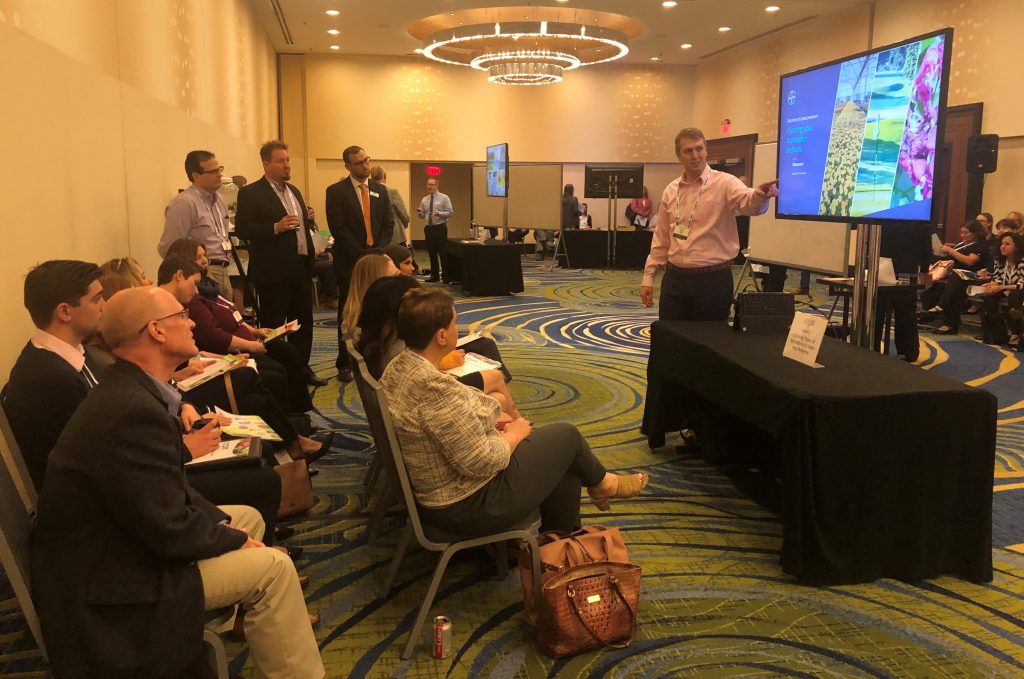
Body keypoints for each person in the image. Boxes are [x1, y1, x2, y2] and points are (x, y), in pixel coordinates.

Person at [30, 286, 324, 679]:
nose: (190, 322)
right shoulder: (130, 410)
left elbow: (165, 495)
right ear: (156, 330)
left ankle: (232, 624)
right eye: (181, 316)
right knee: (273, 567)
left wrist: (228, 531)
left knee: (248, 518)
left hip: (122, 545)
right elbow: (167, 527)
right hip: (112, 583)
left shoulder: (132, 388)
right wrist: (234, 541)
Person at [380, 287, 647, 535]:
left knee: (564, 467)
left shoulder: (401, 365)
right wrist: (515, 434)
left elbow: (457, 409)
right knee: (568, 437)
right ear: (441, 336)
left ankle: (562, 543)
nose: (457, 329)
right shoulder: (432, 388)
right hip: (464, 504)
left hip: (444, 490)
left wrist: (493, 418)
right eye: (453, 323)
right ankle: (602, 486)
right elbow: (482, 462)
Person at [641, 128, 778, 320]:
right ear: (678, 156)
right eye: (688, 151)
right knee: (671, 342)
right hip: (674, 280)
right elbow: (661, 238)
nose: (695, 155)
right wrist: (649, 277)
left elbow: (749, 204)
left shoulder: (726, 183)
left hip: (712, 281)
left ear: (706, 151)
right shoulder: (670, 191)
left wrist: (760, 195)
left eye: (699, 149)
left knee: (709, 342)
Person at [160, 249, 315, 414]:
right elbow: (205, 342)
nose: (206, 260)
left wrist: (252, 333)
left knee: (280, 360)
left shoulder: (205, 291)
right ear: (180, 274)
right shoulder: (184, 305)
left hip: (211, 360)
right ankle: (293, 431)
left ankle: (296, 424)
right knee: (267, 380)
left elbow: (229, 316)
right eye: (199, 257)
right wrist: (229, 358)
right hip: (200, 370)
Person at [3, 260, 104, 488]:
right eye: (97, 299)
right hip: (81, 503)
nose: (104, 306)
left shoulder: (75, 352)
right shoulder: (49, 378)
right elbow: (98, 457)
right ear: (65, 312)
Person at [357, 276, 518, 411]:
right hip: (433, 397)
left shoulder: (387, 340)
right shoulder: (398, 354)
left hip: (422, 396)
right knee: (496, 384)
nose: (411, 269)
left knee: (485, 349)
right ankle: (514, 412)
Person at [235, 140, 317, 375]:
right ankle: (278, 370)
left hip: (300, 267)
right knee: (275, 325)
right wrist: (275, 227)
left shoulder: (295, 191)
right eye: (281, 161)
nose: (287, 165)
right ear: (266, 164)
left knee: (303, 322)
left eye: (288, 160)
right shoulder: (251, 193)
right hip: (273, 272)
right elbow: (243, 229)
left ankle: (302, 369)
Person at [325, 145, 394, 380]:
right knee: (349, 314)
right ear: (347, 166)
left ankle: (377, 360)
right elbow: (339, 228)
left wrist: (378, 252)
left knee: (379, 312)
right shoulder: (336, 192)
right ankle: (344, 362)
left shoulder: (380, 191)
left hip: (379, 261)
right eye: (358, 163)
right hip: (350, 263)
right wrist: (362, 255)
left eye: (366, 160)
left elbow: (388, 224)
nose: (365, 166)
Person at [158, 150, 234, 294]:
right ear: (196, 176)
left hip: (224, 268)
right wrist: (192, 272)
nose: (220, 175)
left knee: (226, 314)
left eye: (220, 170)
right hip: (201, 272)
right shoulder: (184, 203)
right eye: (213, 172)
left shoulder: (221, 201)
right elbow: (169, 247)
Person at [936, 232, 1024, 335]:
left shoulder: (1022, 262)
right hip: (1005, 289)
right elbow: (998, 278)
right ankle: (991, 333)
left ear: (1017, 247)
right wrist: (991, 284)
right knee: (987, 295)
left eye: (1007, 244)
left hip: (1017, 291)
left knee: (1013, 295)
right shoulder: (1000, 260)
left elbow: (1021, 283)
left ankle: (1015, 333)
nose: (1002, 247)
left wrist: (1000, 287)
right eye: (1002, 244)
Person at [341, 252, 399, 338]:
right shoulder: (382, 325)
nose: (400, 281)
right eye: (395, 277)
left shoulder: (354, 321)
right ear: (378, 284)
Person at [416, 177, 454, 280]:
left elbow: (450, 212)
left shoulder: (444, 198)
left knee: (442, 253)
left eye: (432, 185)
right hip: (429, 229)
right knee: (431, 253)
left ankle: (446, 276)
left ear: (437, 185)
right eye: (428, 184)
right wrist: (420, 213)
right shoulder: (424, 199)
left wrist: (439, 213)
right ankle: (434, 275)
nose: (429, 186)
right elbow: (422, 216)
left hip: (440, 228)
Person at [307, 205, 340, 308]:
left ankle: (325, 293)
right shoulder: (304, 227)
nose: (313, 215)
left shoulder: (315, 226)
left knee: (336, 259)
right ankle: (331, 297)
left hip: (317, 255)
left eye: (313, 213)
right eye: (310, 213)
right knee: (329, 266)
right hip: (308, 260)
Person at [370, 165, 412, 247]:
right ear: (384, 176)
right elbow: (404, 215)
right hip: (395, 236)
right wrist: (404, 224)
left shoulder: (368, 193)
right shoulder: (392, 192)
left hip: (376, 235)